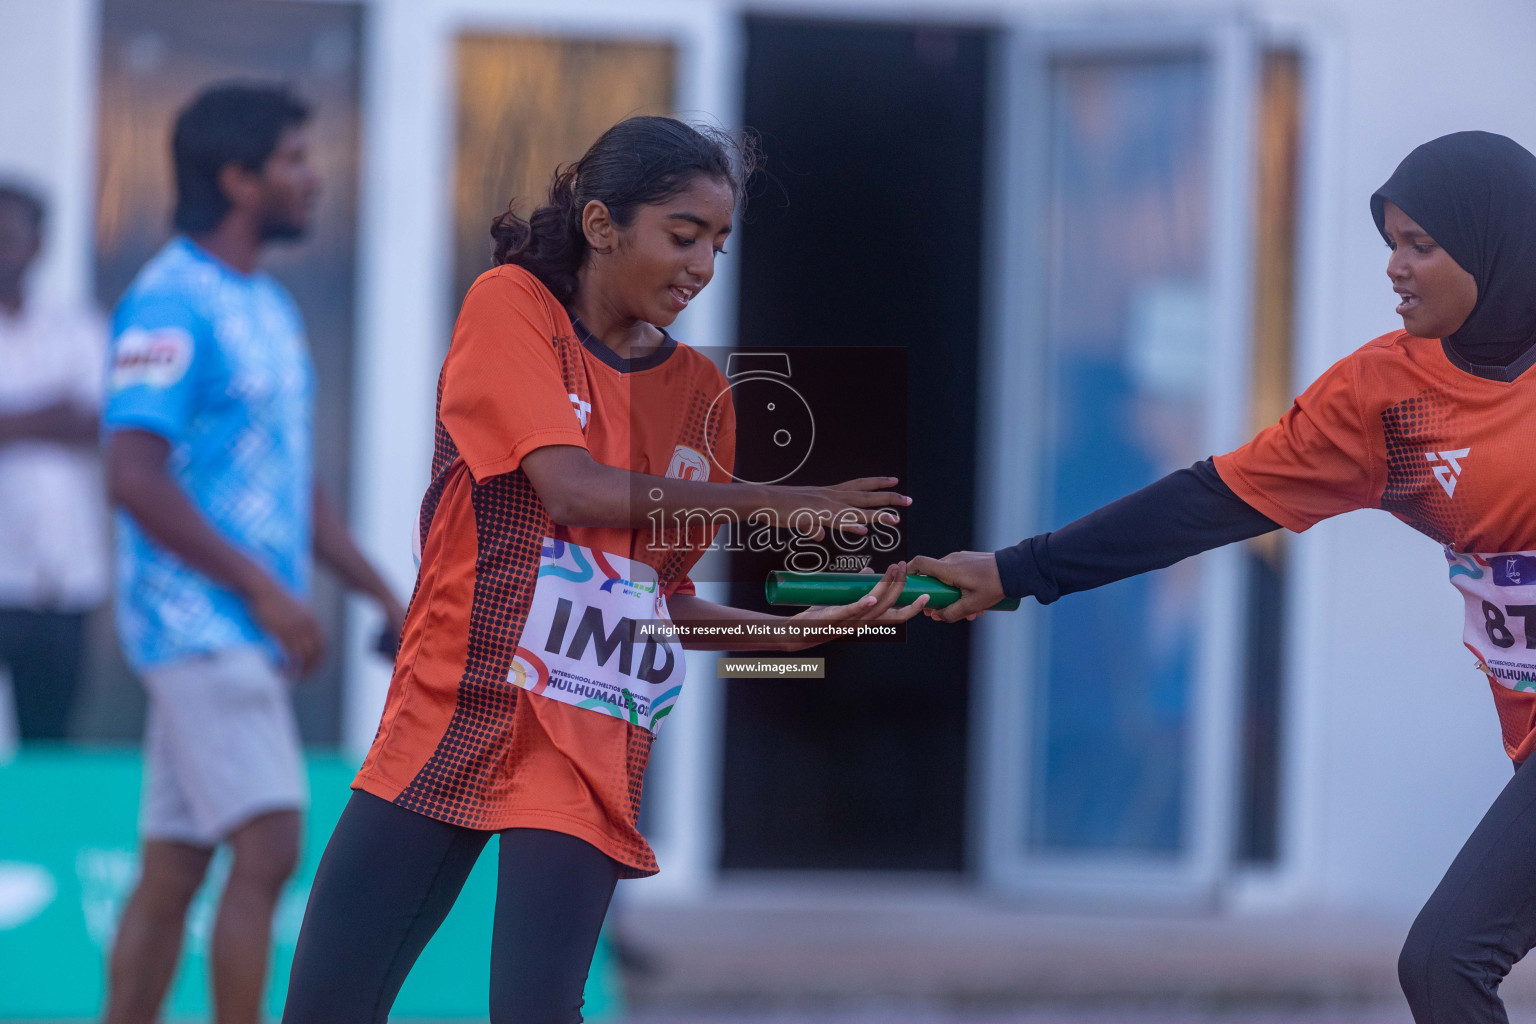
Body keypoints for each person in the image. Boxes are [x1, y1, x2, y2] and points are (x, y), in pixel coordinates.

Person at [282, 115, 922, 1024]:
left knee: (535, 1014)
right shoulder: (512, 308)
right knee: (326, 1010)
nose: (703, 265)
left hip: (587, 737)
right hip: (451, 711)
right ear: (599, 226)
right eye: (683, 235)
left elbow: (657, 603)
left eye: (720, 243)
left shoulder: (703, 394)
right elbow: (572, 490)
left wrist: (802, 634)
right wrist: (776, 503)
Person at [912, 131, 1536, 1024]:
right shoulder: (1383, 399)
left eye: (1421, 246)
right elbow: (1206, 502)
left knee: (1445, 964)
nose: (1396, 268)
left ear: (1494, 241)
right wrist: (1019, 571)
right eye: (1390, 243)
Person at [100, 83, 406, 1024]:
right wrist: (269, 595)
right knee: (270, 844)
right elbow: (132, 473)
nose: (315, 179)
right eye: (294, 160)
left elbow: (290, 484)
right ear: (237, 178)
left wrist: (382, 592)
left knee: (177, 866)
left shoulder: (266, 305)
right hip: (195, 621)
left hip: (240, 624)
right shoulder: (168, 301)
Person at [0, 182, 109, 742]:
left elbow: (101, 425)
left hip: (62, 577)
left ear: (39, 244)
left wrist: (10, 423)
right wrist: (57, 412)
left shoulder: (78, 330)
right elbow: (75, 416)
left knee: (51, 741)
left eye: (13, 235)